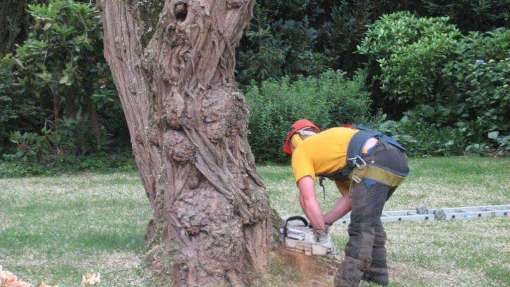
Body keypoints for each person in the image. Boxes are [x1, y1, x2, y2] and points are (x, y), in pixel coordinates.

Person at [282, 119, 409, 287]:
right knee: (369, 218)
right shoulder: (335, 150)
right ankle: (377, 276)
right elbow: (352, 199)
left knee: (361, 227)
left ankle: (346, 282)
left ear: (292, 142)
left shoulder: (301, 151)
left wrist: (319, 231)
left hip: (374, 158)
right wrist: (325, 221)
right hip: (396, 157)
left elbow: (307, 199)